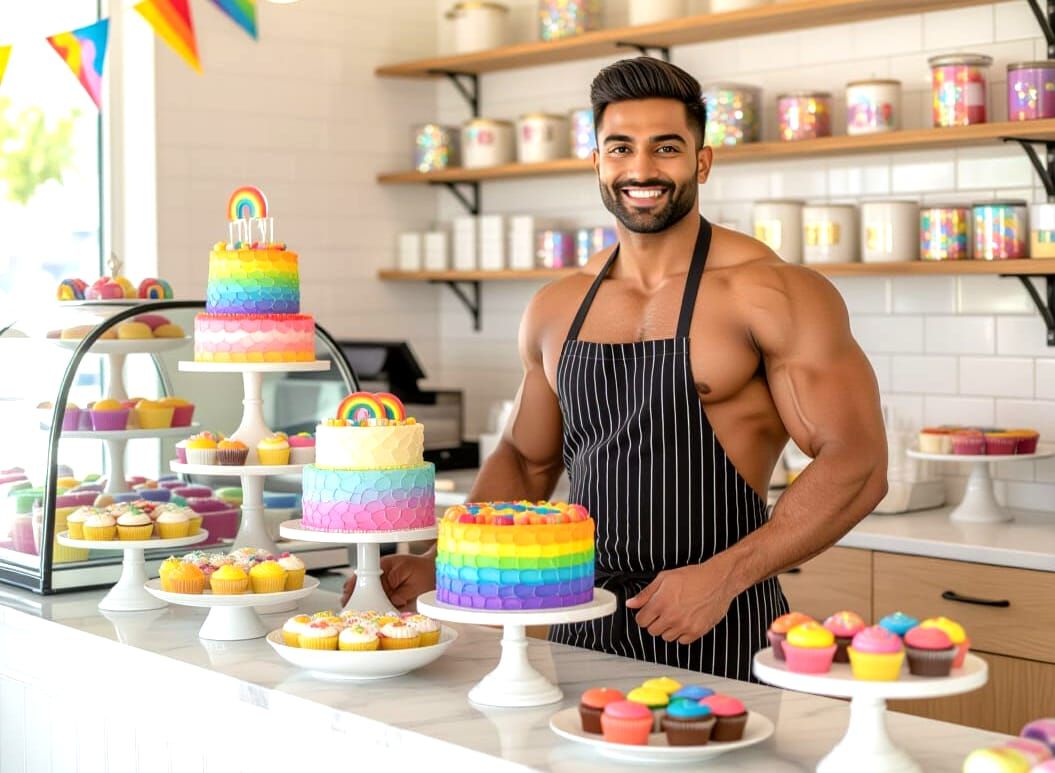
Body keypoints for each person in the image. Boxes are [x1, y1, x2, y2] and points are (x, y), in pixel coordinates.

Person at [344, 56, 888, 681]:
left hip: (719, 619)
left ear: (702, 162)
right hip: (581, 618)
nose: (642, 169)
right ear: (598, 163)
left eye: (666, 148)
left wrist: (722, 578)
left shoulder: (772, 292)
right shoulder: (557, 306)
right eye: (621, 148)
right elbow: (526, 460)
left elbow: (858, 461)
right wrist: (443, 560)